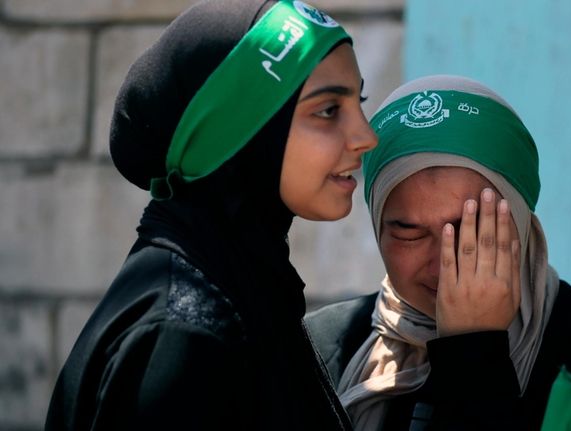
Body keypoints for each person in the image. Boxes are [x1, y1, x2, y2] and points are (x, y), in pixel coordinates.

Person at [45, 0, 377, 429]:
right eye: (328, 110)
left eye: (358, 101)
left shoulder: (246, 284)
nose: (365, 136)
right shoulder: (185, 334)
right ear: (241, 131)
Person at [305, 75, 571, 430]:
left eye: (471, 230)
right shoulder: (320, 349)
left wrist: (473, 352)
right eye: (409, 234)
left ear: (520, 221)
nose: (443, 265)